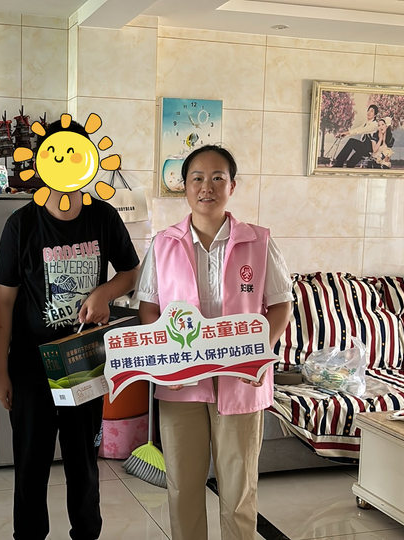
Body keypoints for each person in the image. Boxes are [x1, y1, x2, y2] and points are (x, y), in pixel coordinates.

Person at [0, 119, 140, 540]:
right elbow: (4, 302)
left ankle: (86, 533)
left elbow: (130, 272)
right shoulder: (21, 224)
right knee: (31, 463)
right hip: (30, 365)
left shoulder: (103, 216)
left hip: (83, 359)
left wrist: (104, 293)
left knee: (83, 461)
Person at [135, 145, 293, 540]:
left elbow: (281, 305)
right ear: (185, 187)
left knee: (239, 490)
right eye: (198, 178)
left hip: (241, 380)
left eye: (217, 178)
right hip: (181, 383)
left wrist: (258, 355)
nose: (207, 187)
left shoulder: (258, 241)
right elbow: (149, 309)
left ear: (232, 186)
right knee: (183, 486)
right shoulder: (164, 243)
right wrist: (166, 364)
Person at [332, 103, 380, 168]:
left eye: (372, 111)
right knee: (349, 165)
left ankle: (339, 163)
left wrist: (345, 133)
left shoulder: (374, 124)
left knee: (351, 142)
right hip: (362, 148)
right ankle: (340, 165)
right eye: (368, 110)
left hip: (367, 150)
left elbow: (360, 130)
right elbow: (357, 129)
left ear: (375, 115)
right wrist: (343, 135)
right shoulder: (366, 123)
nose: (369, 112)